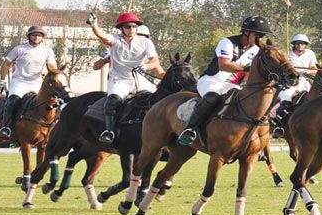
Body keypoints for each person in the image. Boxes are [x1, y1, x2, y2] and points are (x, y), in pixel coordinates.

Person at [178, 15, 273, 146]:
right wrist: (249, 68)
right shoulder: (227, 43)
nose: (260, 39)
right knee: (212, 98)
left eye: (262, 36)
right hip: (212, 80)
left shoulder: (257, 50)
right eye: (258, 35)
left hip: (232, 85)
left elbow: (248, 75)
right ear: (246, 32)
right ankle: (190, 129)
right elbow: (224, 65)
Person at [87, 11, 160, 144]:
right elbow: (102, 35)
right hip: (119, 80)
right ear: (121, 28)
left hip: (139, 80)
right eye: (127, 26)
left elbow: (155, 61)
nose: (131, 29)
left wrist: (146, 66)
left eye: (134, 26)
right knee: (113, 102)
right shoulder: (115, 40)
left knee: (158, 100)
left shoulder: (146, 42)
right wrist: (94, 25)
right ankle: (109, 131)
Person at [0, 25, 58, 138]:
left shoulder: (47, 50)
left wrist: (47, 71)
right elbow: (6, 64)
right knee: (12, 102)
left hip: (37, 83)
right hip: (19, 82)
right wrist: (2, 81)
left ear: (42, 37)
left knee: (52, 103)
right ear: (29, 36)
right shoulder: (19, 49)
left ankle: (54, 127)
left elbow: (52, 66)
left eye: (39, 35)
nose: (36, 37)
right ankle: (6, 127)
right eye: (34, 35)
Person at [271, 33, 318, 138]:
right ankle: (278, 126)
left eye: (303, 44)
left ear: (306, 45)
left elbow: (315, 69)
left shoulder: (310, 54)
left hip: (304, 82)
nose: (300, 45)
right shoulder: (287, 54)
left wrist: (306, 71)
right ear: (294, 44)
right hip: (291, 83)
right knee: (286, 96)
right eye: (298, 43)